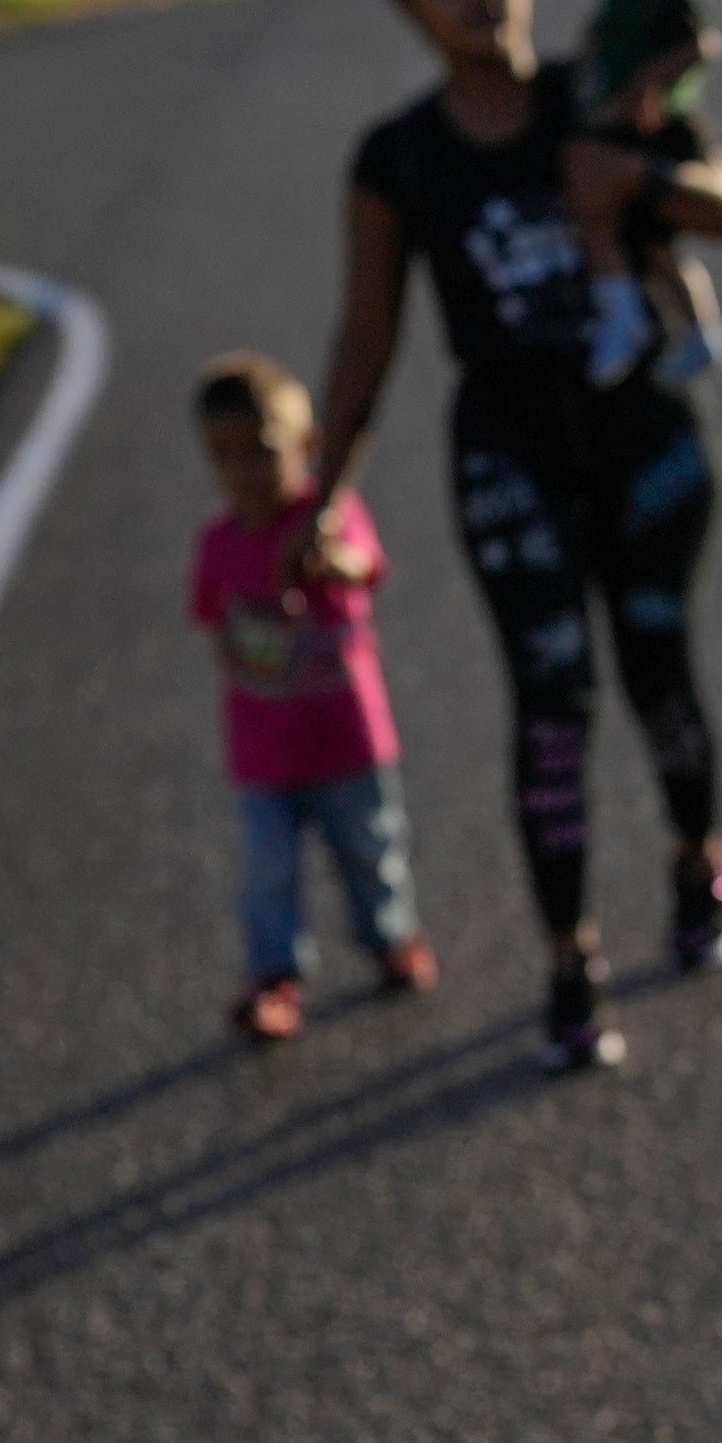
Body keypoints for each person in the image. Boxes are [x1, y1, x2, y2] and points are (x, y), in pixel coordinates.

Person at [306, 0, 722, 1076]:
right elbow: (366, 340)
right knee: (552, 702)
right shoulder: (398, 159)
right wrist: (318, 496)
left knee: (660, 670)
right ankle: (570, 957)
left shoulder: (601, 90)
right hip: (510, 460)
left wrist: (642, 185)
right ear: (410, 7)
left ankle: (695, 857)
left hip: (648, 442)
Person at [187, 353, 433, 1039]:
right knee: (268, 877)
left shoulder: (328, 517)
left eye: (261, 453)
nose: (243, 472)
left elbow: (365, 565)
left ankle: (392, 938)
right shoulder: (218, 543)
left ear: (306, 449)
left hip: (348, 739)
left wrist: (330, 559)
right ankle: (274, 978)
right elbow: (218, 634)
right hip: (264, 755)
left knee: (371, 848)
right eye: (223, 457)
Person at [565, 0, 722, 389]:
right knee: (651, 246)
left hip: (661, 134)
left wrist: (647, 83)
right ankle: (693, 331)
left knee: (607, 222)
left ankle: (629, 320)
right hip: (632, 131)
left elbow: (701, 43)